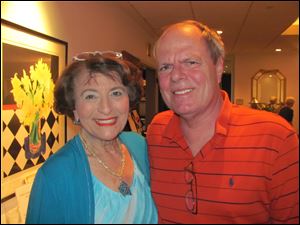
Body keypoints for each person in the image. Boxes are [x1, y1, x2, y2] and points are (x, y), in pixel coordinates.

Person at [146, 20, 299, 224]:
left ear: (218, 68)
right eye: (165, 67)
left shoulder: (276, 137)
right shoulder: (156, 131)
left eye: (191, 62)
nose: (176, 76)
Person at [26, 51, 158, 223]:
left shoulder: (139, 146)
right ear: (74, 108)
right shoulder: (54, 175)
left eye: (116, 93)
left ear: (128, 98)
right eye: (90, 96)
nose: (106, 108)